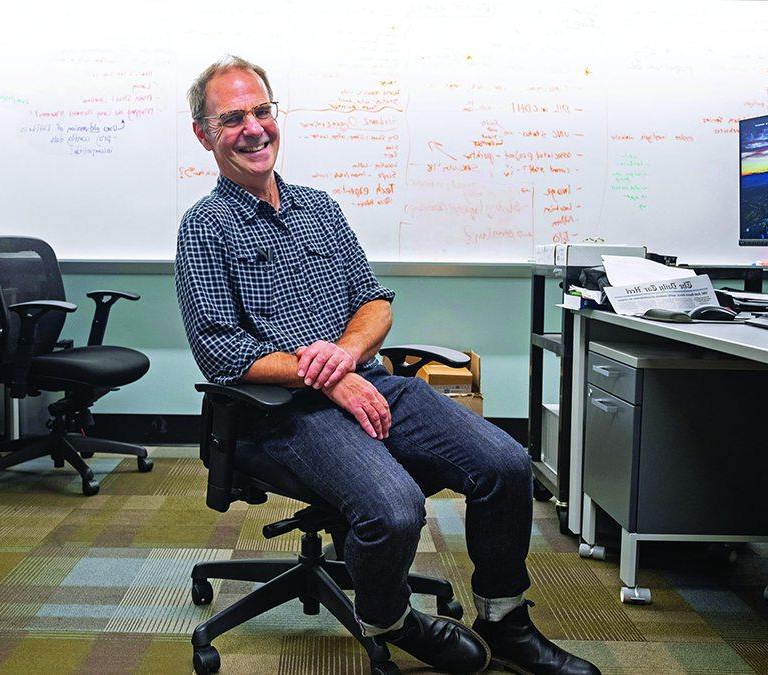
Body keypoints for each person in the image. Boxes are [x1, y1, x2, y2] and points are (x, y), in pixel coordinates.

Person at [175, 55, 599, 675]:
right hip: (283, 413)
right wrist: (326, 376)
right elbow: (221, 353)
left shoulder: (320, 209)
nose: (253, 127)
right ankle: (389, 615)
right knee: (395, 508)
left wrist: (346, 358)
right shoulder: (204, 228)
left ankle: (505, 618)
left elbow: (374, 302)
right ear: (205, 134)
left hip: (369, 382)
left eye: (262, 110)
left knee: (506, 464)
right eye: (232, 117)